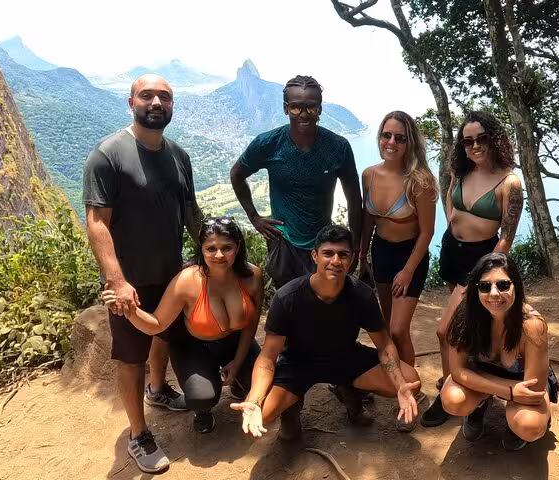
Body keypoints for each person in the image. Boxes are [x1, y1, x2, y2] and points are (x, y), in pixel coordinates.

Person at [83, 74, 203, 473]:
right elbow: (97, 222)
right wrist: (117, 282)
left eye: (165, 97)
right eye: (147, 95)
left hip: (170, 274)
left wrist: (212, 256)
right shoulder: (109, 155)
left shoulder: (178, 156)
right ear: (130, 101)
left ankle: (158, 389)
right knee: (131, 357)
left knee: (163, 336)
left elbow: (190, 211)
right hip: (129, 280)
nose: (156, 102)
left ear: (172, 106)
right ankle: (138, 434)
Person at [230, 225, 421, 440]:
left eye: (343, 255)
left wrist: (399, 385)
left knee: (410, 379)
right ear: (315, 256)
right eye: (328, 253)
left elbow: (384, 344)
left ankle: (349, 392)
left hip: (346, 357)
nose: (336, 261)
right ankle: (291, 410)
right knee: (262, 413)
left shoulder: (362, 295)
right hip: (298, 363)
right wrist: (255, 400)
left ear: (351, 259)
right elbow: (267, 357)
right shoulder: (288, 297)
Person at [101, 217, 262, 435]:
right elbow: (156, 325)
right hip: (194, 347)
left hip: (235, 344)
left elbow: (251, 326)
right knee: (201, 397)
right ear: (201, 249)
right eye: (211, 248)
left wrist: (238, 361)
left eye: (227, 247)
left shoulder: (252, 277)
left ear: (238, 247)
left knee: (264, 382)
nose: (219, 255)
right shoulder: (188, 281)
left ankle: (237, 381)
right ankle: (202, 411)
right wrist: (130, 311)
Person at [422, 111, 523, 427]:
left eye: (481, 138)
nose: (474, 146)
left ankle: (453, 391)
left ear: (494, 138)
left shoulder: (509, 182)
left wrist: (481, 275)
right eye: (467, 141)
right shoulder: (459, 171)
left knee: (445, 331)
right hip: (454, 253)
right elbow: (451, 206)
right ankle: (465, 384)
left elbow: (506, 236)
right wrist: (454, 226)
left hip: (482, 260)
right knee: (469, 327)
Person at [230, 75, 362, 289]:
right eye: (295, 107)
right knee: (287, 302)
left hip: (323, 245)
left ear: (319, 109)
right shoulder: (268, 144)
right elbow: (237, 175)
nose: (303, 114)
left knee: (322, 305)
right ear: (285, 108)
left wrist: (354, 245)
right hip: (283, 243)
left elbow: (354, 199)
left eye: (311, 107)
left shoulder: (338, 147)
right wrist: (254, 217)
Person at [440, 253, 559, 450]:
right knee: (453, 400)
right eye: (485, 286)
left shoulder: (532, 325)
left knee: (529, 425)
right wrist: (510, 391)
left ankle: (516, 426)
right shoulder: (466, 317)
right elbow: (457, 371)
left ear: (516, 286)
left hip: (524, 380)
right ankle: (477, 407)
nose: (494, 293)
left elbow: (533, 390)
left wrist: (515, 393)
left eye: (503, 285)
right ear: (476, 290)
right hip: (511, 384)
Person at [359, 111, 437, 367]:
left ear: (409, 142)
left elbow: (427, 232)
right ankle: (398, 381)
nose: (391, 142)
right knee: (387, 327)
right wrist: (362, 255)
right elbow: (369, 218)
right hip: (381, 252)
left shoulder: (419, 181)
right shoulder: (369, 175)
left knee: (399, 329)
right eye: (386, 135)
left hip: (409, 256)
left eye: (400, 138)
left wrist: (407, 271)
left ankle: (411, 385)